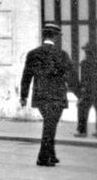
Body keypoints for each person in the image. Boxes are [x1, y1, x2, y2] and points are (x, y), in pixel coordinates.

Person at [20, 23, 77, 166]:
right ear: (56, 37)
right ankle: (43, 157)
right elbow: (71, 77)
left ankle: (51, 154)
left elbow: (26, 76)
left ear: (43, 36)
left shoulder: (33, 54)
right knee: (50, 125)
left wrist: (23, 96)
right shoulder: (62, 54)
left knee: (49, 124)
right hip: (57, 95)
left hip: (40, 95)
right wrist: (79, 93)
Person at [74, 41, 97, 137]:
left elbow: (83, 80)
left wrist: (81, 93)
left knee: (82, 109)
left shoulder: (84, 63)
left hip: (88, 91)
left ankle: (82, 131)